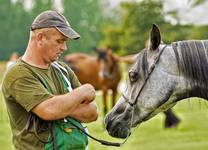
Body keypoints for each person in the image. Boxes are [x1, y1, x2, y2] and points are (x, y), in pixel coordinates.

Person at [2, 10, 98, 150]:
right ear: (40, 38)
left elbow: (93, 112)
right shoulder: (18, 74)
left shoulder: (63, 70)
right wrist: (83, 92)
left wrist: (60, 106)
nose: (64, 47)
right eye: (60, 41)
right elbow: (49, 110)